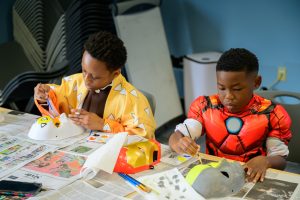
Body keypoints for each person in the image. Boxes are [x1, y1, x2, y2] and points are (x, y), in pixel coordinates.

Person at [169, 48, 292, 182]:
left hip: (251, 177)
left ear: (256, 82)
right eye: (221, 88)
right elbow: (178, 136)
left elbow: (280, 160)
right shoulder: (204, 107)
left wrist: (266, 161)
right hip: (215, 176)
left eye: (237, 89)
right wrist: (179, 142)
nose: (228, 96)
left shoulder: (273, 114)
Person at [34, 31, 156, 139]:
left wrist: (102, 124)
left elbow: (143, 137)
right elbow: (56, 102)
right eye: (84, 70)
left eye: (95, 77)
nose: (86, 80)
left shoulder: (133, 100)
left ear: (115, 74)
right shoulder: (75, 82)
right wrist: (44, 95)